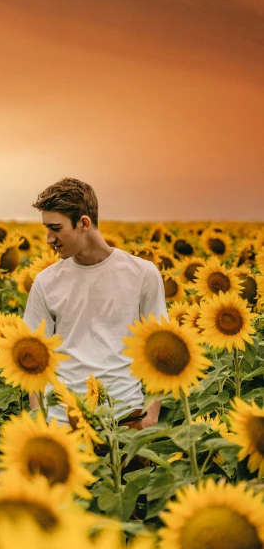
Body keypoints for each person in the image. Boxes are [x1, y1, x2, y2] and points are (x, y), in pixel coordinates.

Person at [23, 177, 168, 429]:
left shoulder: (142, 274)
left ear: (84, 223)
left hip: (126, 416)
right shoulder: (46, 282)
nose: (48, 238)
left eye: (56, 228)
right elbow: (32, 358)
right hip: (64, 420)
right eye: (46, 228)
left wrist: (152, 412)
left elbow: (161, 349)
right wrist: (39, 418)